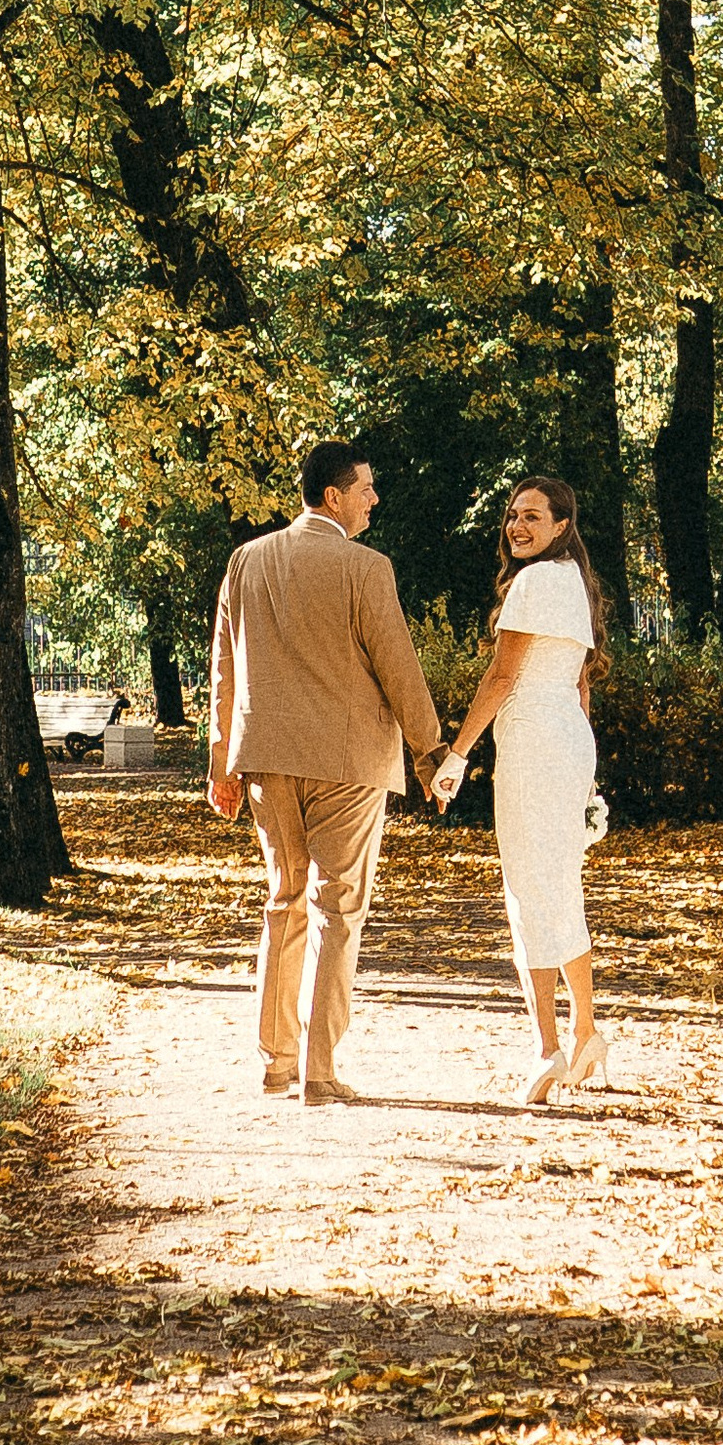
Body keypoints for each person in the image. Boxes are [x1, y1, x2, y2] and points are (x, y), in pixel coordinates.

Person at [207, 439, 444, 1105]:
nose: (375, 499)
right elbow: (398, 666)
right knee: (337, 907)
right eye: (366, 489)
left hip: (266, 761)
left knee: (284, 901)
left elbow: (223, 667)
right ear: (334, 495)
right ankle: (319, 1070)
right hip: (347, 761)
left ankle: (276, 1061)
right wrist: (431, 753)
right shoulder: (365, 568)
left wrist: (221, 760)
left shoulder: (245, 560)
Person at [431, 475, 607, 1101]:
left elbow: (502, 678)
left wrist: (455, 755)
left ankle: (549, 1048)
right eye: (512, 516)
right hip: (566, 737)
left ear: (562, 525)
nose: (518, 526)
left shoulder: (534, 582)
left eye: (533, 516)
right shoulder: (575, 585)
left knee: (531, 886)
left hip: (535, 739)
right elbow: (581, 687)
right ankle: (583, 1030)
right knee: (559, 881)